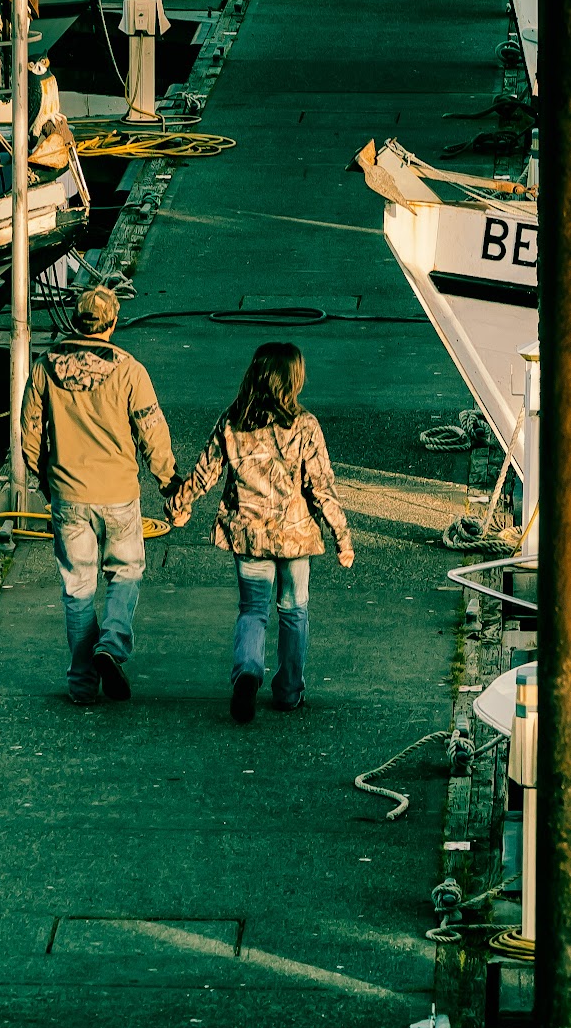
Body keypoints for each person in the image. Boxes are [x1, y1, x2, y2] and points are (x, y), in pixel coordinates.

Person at [167, 342, 353, 724]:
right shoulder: (304, 425)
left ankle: (248, 672)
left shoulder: (233, 420)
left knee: (253, 609)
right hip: (295, 535)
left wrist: (179, 503)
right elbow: (321, 488)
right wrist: (341, 537)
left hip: (248, 534)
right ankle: (288, 691)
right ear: (292, 381)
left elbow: (206, 472)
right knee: (294, 610)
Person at [20, 284, 176, 704]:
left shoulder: (44, 367)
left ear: (75, 320)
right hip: (119, 492)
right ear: (113, 322)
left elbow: (30, 431)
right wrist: (168, 480)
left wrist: (42, 480)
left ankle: (82, 684)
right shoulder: (129, 369)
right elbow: (151, 429)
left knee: (78, 587)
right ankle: (111, 643)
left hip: (68, 493)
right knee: (125, 574)